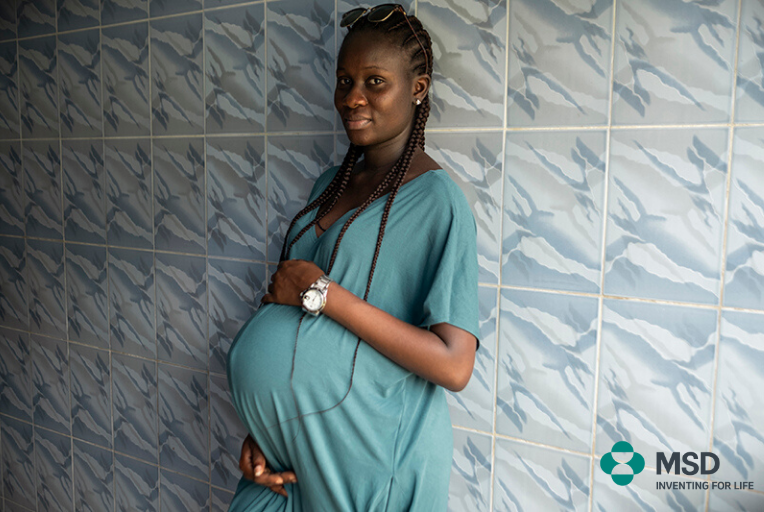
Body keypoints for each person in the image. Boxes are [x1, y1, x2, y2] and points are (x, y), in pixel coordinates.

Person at [226, 4, 480, 511]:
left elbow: (455, 365)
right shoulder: (330, 184)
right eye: (345, 81)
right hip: (292, 455)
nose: (352, 97)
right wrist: (266, 431)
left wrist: (320, 294)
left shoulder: (437, 201)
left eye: (374, 82)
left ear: (418, 89)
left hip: (370, 454)